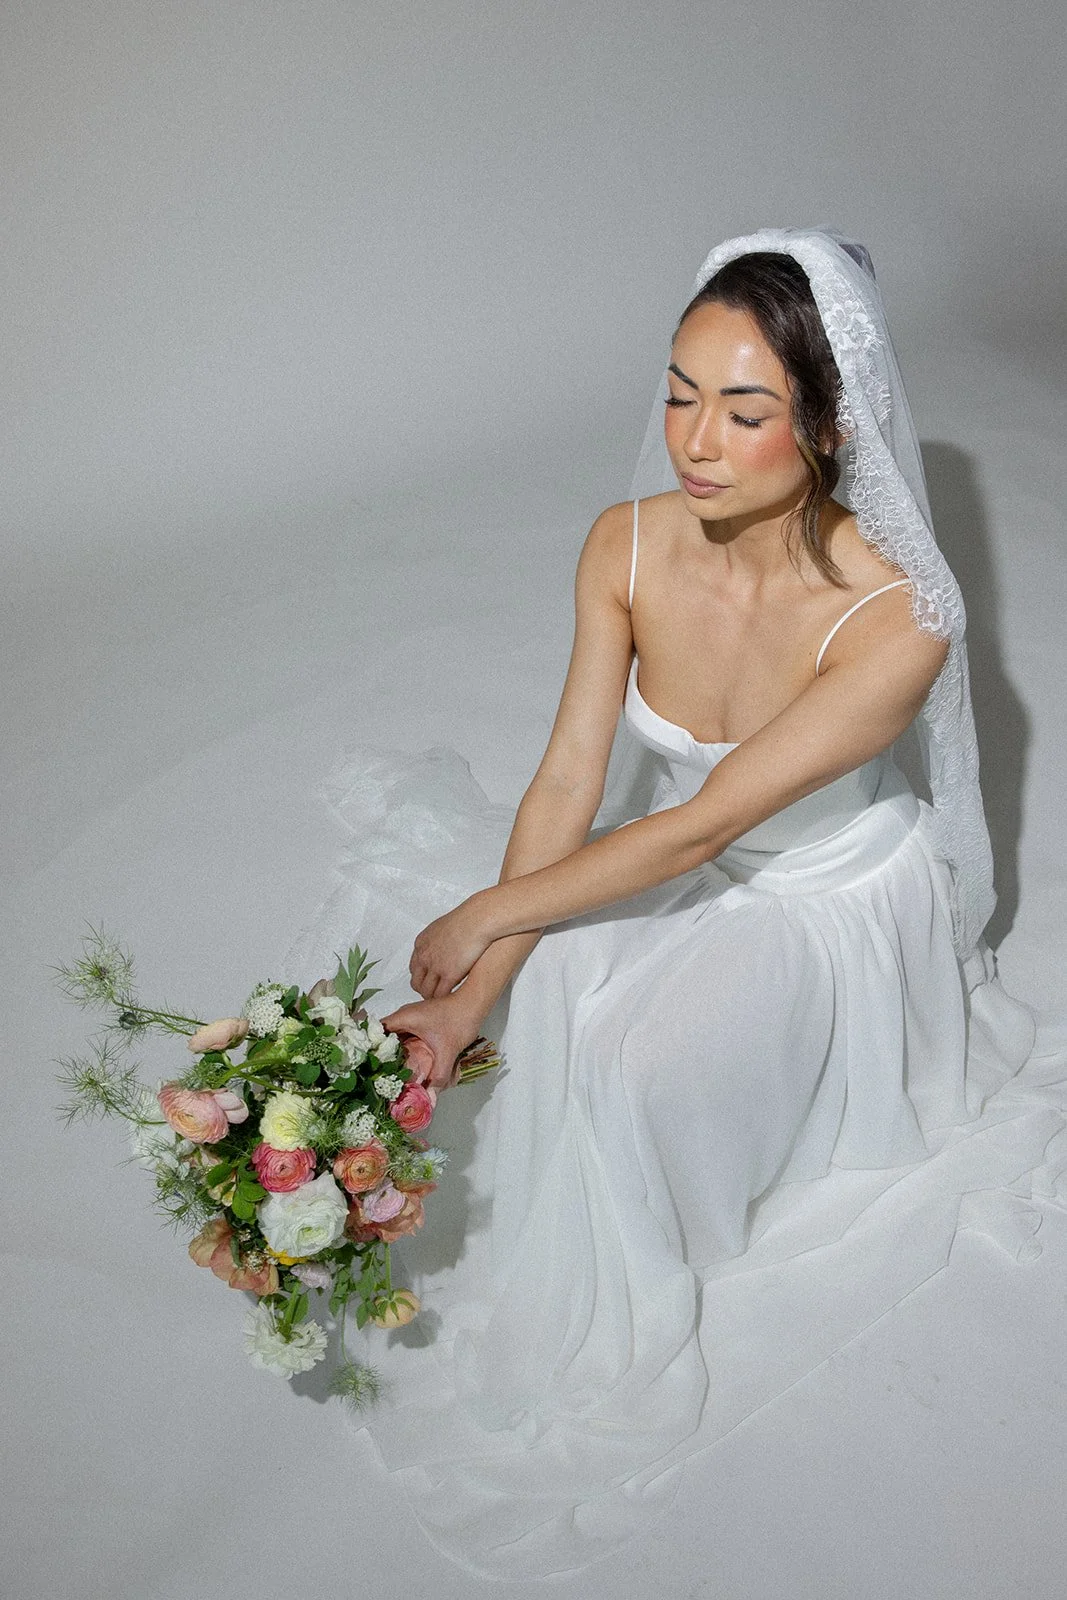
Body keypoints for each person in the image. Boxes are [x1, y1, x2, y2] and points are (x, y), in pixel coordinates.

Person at [294, 229, 1058, 1578]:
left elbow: (701, 819)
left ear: (826, 425)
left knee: (629, 1074)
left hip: (823, 898)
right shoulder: (623, 546)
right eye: (677, 392)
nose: (694, 441)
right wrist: (468, 990)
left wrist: (484, 920)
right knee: (531, 1023)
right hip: (677, 857)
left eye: (745, 409)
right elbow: (565, 784)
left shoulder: (900, 620)